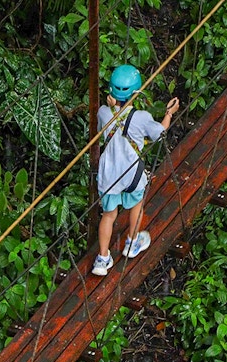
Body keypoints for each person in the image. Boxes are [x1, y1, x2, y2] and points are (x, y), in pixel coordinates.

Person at [92, 64, 180, 276]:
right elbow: (159, 133)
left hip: (108, 173)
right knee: (137, 203)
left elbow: (101, 130)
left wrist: (111, 107)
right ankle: (132, 241)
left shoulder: (103, 112)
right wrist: (169, 114)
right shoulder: (141, 117)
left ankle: (102, 259)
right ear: (136, 92)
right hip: (131, 172)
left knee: (108, 215)